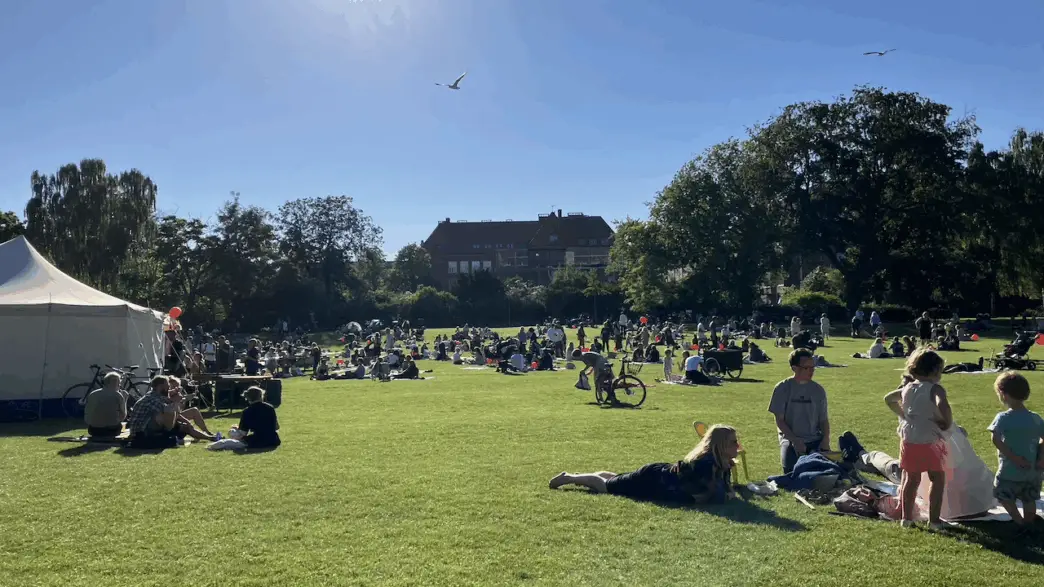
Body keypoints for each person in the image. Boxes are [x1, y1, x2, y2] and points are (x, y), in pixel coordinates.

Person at [548, 424, 740, 504]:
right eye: (733, 442)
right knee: (607, 487)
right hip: (654, 480)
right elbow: (717, 496)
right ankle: (569, 478)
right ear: (721, 445)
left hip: (659, 475)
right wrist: (729, 493)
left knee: (616, 479)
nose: (737, 445)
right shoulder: (706, 465)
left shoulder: (719, 461)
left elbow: (726, 490)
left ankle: (584, 476)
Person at [884, 349, 952, 530]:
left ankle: (906, 519)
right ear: (935, 370)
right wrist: (946, 421)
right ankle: (934, 521)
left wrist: (904, 414)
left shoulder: (907, 387)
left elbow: (888, 399)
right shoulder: (935, 388)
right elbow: (942, 403)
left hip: (909, 439)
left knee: (910, 479)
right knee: (937, 478)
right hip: (930, 439)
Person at [987, 372, 1044, 527]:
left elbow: (995, 439)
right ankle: (1029, 522)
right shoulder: (1036, 418)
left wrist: (1015, 458)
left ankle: (1019, 522)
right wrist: (1041, 459)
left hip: (1010, 469)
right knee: (1029, 498)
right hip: (1033, 470)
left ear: (1003, 394)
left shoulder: (1003, 418)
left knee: (1003, 494)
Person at [768, 348, 831, 474]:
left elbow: (823, 420)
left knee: (824, 471)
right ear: (794, 368)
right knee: (792, 472)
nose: (812, 371)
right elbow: (780, 421)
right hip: (790, 439)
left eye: (813, 367)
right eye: (807, 368)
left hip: (814, 439)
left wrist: (825, 440)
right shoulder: (782, 388)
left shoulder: (818, 390)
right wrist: (795, 440)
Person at [127, 376, 217, 448]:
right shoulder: (153, 399)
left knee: (184, 426)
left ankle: (210, 437)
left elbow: (167, 400)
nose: (169, 389)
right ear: (160, 386)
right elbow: (169, 417)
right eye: (168, 386)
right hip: (141, 432)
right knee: (168, 414)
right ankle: (171, 436)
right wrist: (177, 403)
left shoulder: (155, 395)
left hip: (148, 427)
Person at [84, 372, 127, 438]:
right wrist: (125, 399)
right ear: (116, 383)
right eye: (119, 383)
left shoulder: (93, 394)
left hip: (93, 430)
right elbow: (123, 416)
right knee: (121, 424)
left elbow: (87, 414)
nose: (119, 386)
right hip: (112, 430)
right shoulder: (118, 395)